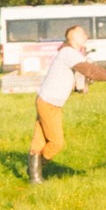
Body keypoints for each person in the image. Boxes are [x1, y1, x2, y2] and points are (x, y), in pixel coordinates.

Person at [30, 20, 93, 183]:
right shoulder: (68, 53)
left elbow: (79, 76)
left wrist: (81, 86)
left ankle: (34, 176)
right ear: (72, 37)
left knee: (40, 140)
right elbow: (87, 69)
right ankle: (36, 169)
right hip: (49, 103)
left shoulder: (71, 53)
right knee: (56, 143)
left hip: (50, 102)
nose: (86, 36)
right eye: (82, 34)